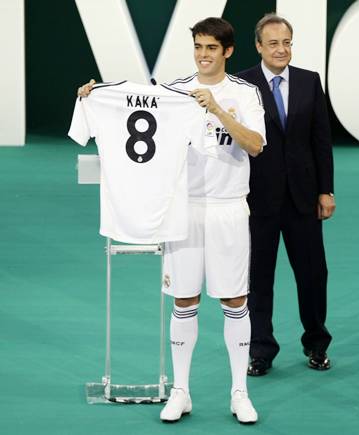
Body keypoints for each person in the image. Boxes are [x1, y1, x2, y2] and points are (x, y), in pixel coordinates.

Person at [78, 17, 266, 423]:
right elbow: (131, 111)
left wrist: (216, 109)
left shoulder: (245, 93)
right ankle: (180, 391)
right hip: (182, 208)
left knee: (235, 300)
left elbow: (255, 145)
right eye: (198, 46)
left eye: (211, 48)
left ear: (228, 51)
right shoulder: (172, 92)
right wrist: (92, 96)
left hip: (229, 208)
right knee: (184, 301)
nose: (203, 54)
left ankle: (239, 393)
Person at [236, 13, 335, 376]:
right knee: (259, 279)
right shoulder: (241, 83)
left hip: (304, 199)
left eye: (287, 42)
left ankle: (317, 344)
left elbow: (321, 141)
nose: (281, 49)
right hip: (256, 200)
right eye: (273, 43)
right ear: (259, 46)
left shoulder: (310, 82)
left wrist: (326, 190)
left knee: (313, 276)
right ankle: (260, 350)